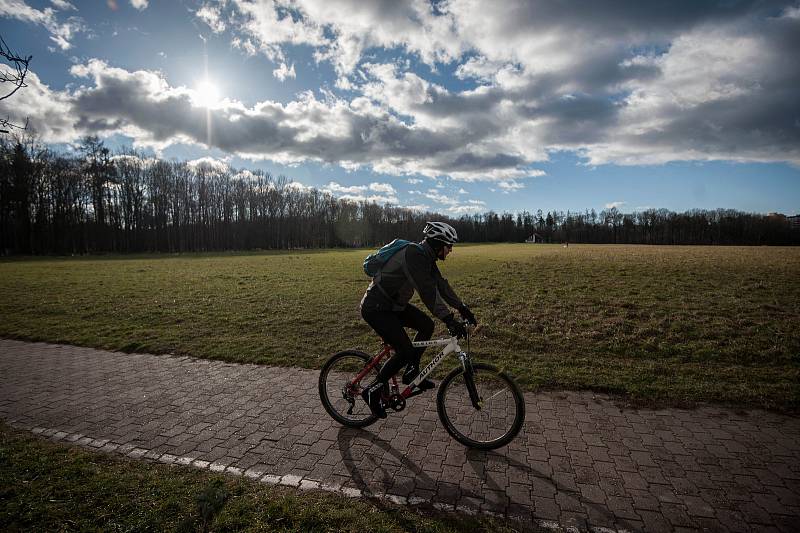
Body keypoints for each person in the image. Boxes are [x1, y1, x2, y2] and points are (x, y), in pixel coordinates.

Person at [359, 221, 478, 418]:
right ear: (438, 243)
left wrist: (462, 308)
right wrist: (448, 319)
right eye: (449, 246)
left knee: (426, 325)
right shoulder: (414, 254)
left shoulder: (426, 257)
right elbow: (427, 292)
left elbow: (441, 285)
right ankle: (371, 391)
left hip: (393, 306)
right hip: (376, 307)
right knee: (405, 350)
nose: (451, 250)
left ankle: (412, 372)